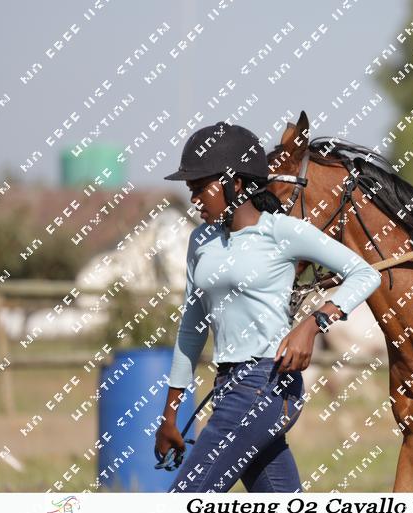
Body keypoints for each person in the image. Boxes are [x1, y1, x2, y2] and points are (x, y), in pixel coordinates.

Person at [154, 122, 382, 492]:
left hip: (267, 385)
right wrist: (169, 415)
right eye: (190, 190)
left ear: (234, 183)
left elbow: (364, 273)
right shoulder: (200, 241)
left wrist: (312, 324)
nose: (194, 199)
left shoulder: (282, 231)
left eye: (200, 188)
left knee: (187, 502)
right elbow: (191, 330)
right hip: (227, 385)